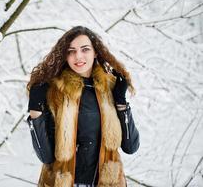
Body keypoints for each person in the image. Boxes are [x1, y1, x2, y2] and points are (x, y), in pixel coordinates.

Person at [26, 26, 140, 187]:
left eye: (85, 49)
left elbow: (131, 147)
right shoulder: (54, 90)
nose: (78, 56)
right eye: (71, 51)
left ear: (96, 52)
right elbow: (46, 157)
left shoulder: (110, 88)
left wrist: (121, 103)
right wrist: (35, 112)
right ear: (64, 56)